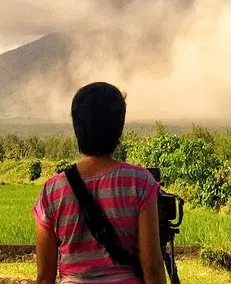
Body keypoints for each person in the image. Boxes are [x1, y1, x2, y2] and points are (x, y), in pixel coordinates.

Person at [34, 83, 166, 284]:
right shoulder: (139, 182)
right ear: (119, 128)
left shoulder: (52, 190)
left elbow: (45, 277)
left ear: (77, 127)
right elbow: (153, 268)